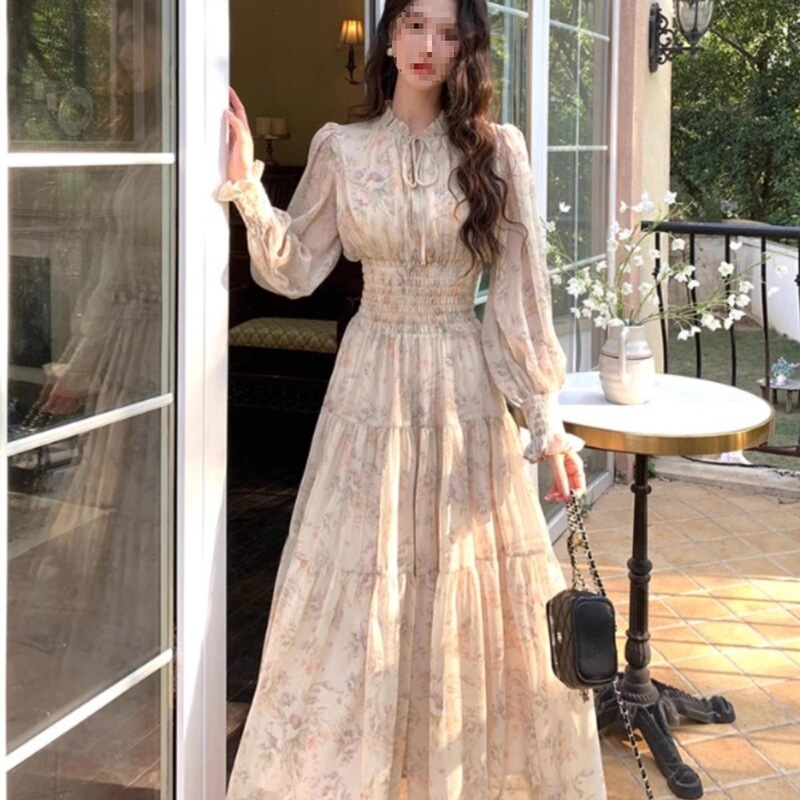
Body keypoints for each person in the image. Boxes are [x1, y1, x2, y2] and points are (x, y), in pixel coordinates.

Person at [220, 0, 606, 796]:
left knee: (459, 578)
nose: (431, 46)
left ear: (468, 47)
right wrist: (247, 186)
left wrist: (547, 425)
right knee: (365, 576)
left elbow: (518, 300)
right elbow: (292, 269)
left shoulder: (497, 151)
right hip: (370, 386)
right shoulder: (342, 147)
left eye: (450, 31)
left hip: (461, 388)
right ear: (389, 35)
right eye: (416, 25)